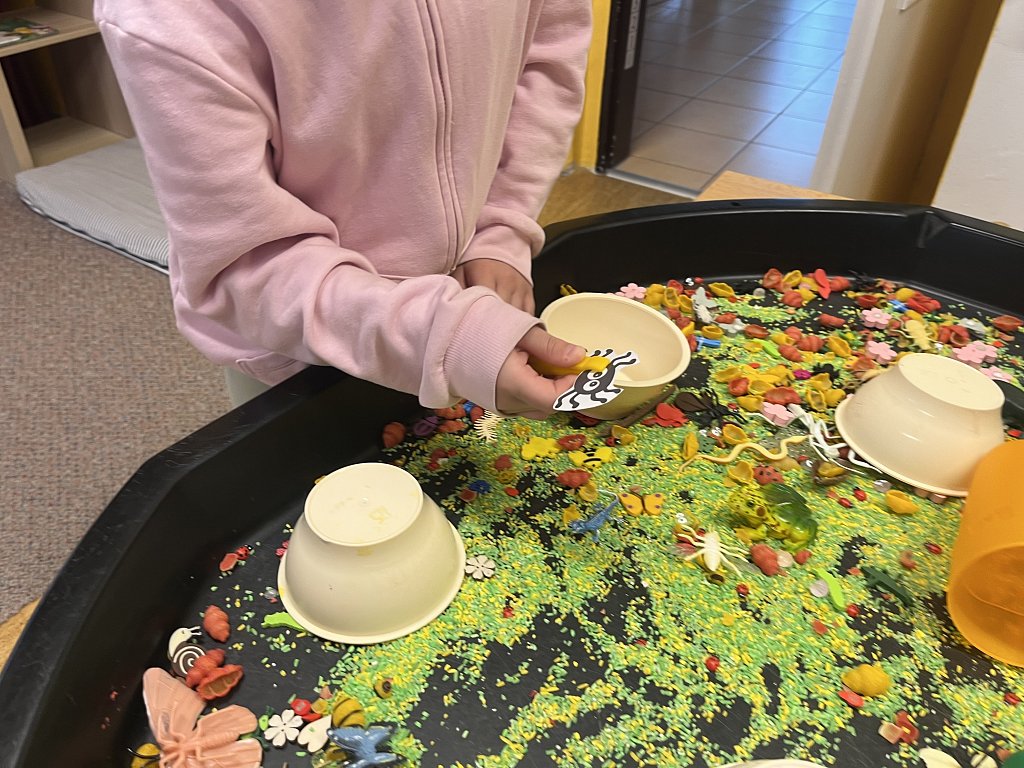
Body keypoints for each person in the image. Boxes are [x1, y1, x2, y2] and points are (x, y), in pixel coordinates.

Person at [95, 1, 593, 418]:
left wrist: (500, 229)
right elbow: (243, 260)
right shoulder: (169, 13)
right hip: (295, 347)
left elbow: (547, 56)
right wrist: (448, 337)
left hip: (471, 300)